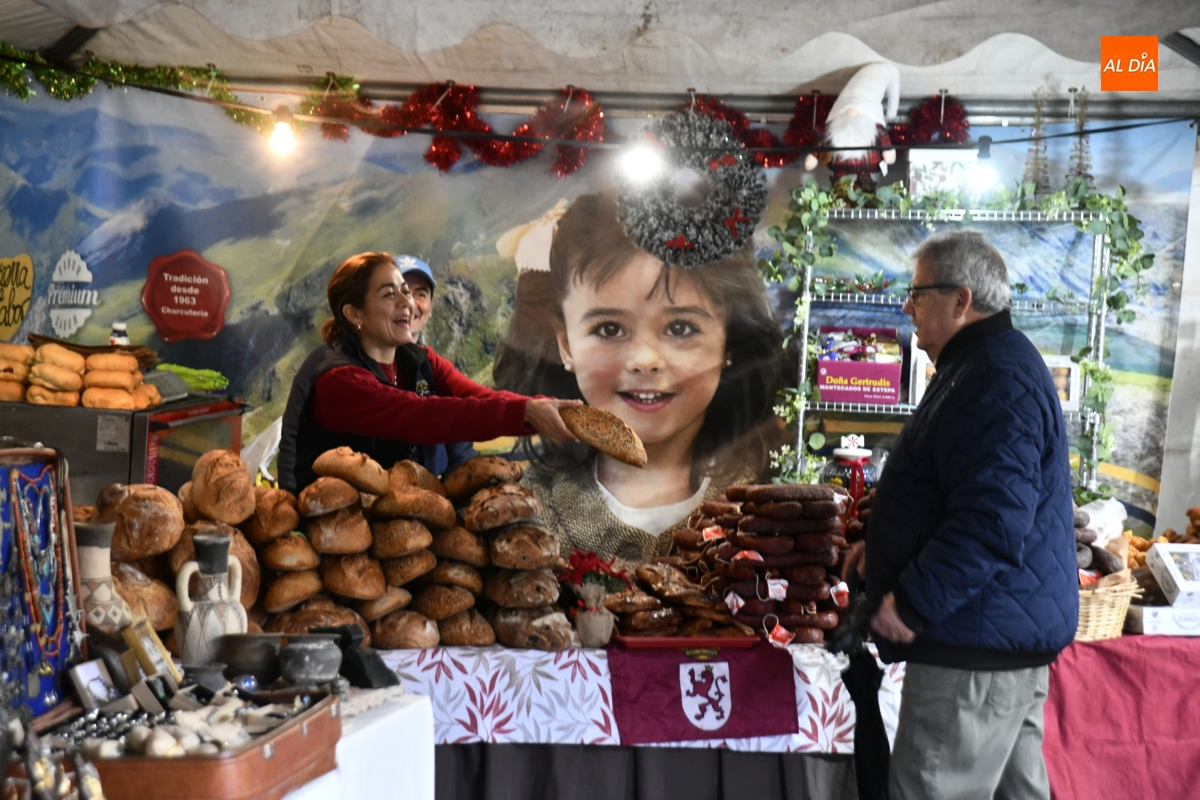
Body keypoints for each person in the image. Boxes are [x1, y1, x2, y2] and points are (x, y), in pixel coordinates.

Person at [844, 231, 1078, 799]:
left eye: (917, 294)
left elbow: (992, 520)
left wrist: (913, 602)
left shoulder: (994, 378)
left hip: (972, 651)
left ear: (961, 300)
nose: (908, 308)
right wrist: (889, 547)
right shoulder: (982, 366)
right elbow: (964, 493)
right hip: (992, 643)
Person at [493, 192, 788, 567]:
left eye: (680, 328)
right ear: (564, 344)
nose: (645, 361)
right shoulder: (525, 511)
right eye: (609, 329)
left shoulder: (773, 500)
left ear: (729, 338)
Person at [278, 252, 578, 495]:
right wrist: (525, 412)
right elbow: (421, 416)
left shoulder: (420, 359)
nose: (406, 302)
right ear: (354, 313)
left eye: (406, 291)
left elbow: (479, 397)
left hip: (399, 520)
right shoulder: (336, 379)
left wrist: (538, 408)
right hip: (332, 529)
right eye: (389, 294)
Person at [394, 254, 478, 479]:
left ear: (430, 308)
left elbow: (463, 464)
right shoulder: (355, 372)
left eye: (421, 294)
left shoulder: (436, 373)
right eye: (401, 291)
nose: (411, 303)